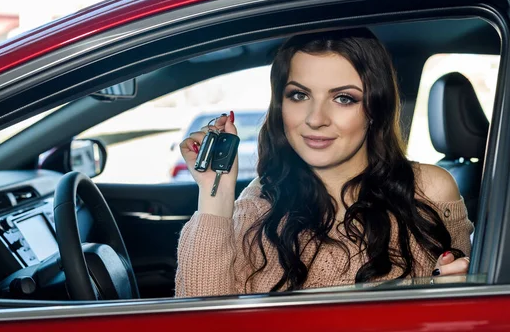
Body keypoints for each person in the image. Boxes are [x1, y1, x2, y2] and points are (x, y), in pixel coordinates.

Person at [175, 28, 473, 297]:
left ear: (374, 109)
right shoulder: (257, 205)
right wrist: (215, 193)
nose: (315, 119)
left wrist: (456, 289)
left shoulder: (429, 191)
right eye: (299, 95)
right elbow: (197, 321)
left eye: (343, 98)